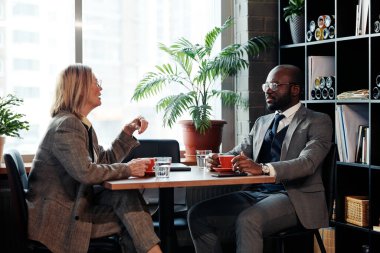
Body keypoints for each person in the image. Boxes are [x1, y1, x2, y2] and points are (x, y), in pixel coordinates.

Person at [187, 64, 333, 253]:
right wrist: (218, 158)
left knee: (248, 220)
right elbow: (240, 152)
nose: (268, 90)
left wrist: (263, 168)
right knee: (198, 215)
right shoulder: (262, 122)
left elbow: (307, 163)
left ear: (295, 89)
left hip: (294, 197)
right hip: (255, 194)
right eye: (266, 85)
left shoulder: (318, 121)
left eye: (274, 84)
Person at [26, 64, 162, 253]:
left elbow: (102, 160)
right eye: (96, 83)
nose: (101, 88)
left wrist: (126, 132)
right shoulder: (67, 125)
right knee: (132, 216)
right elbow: (85, 171)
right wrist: (129, 169)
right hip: (58, 222)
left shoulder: (79, 124)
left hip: (73, 209)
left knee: (129, 203)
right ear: (79, 87)